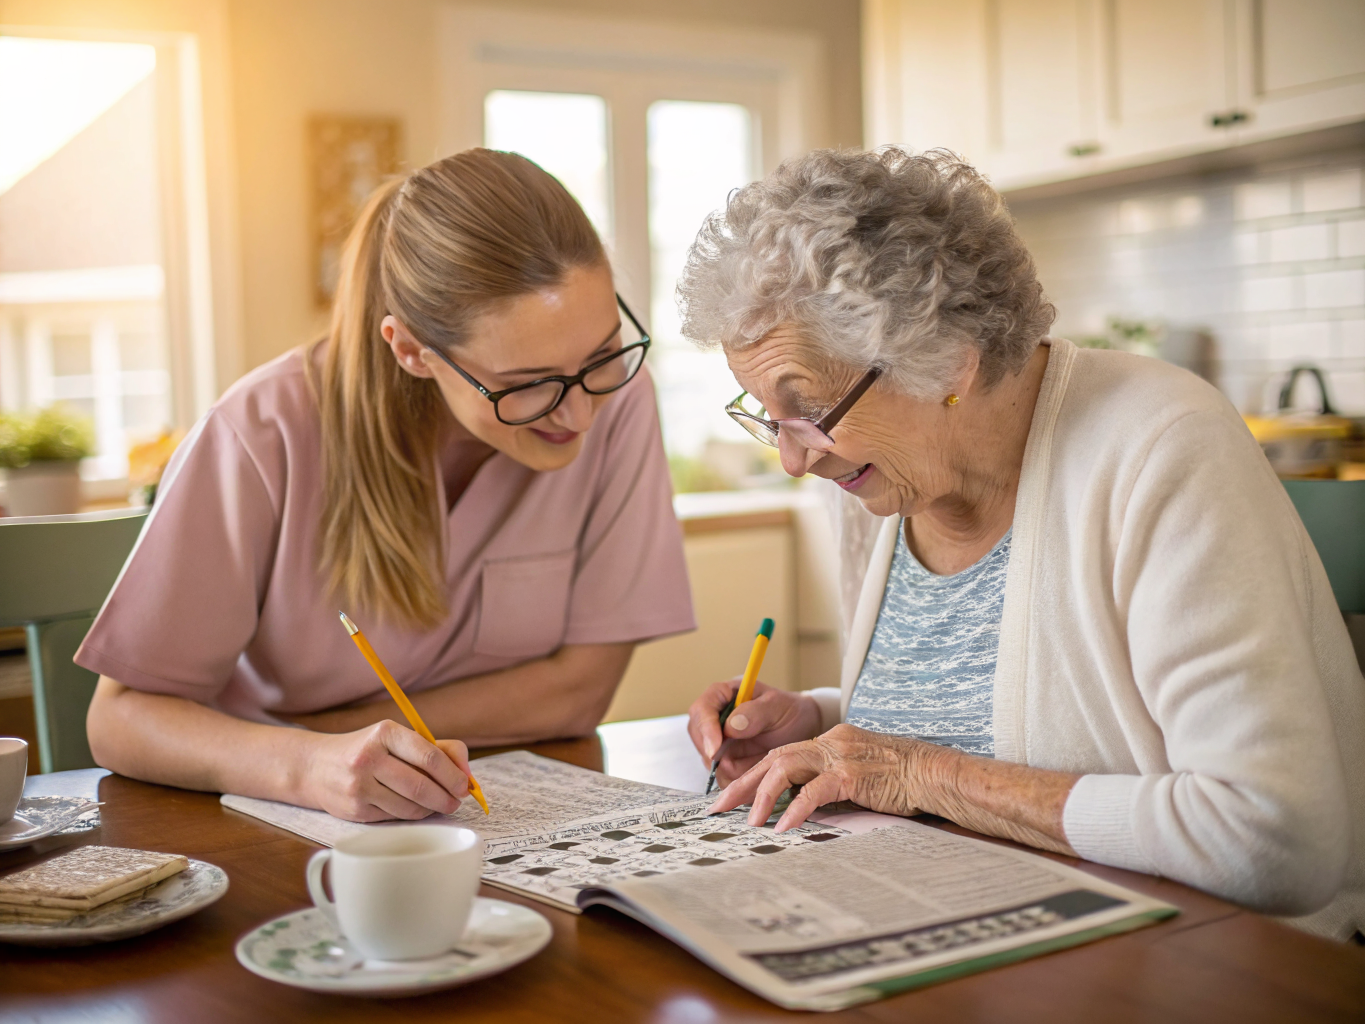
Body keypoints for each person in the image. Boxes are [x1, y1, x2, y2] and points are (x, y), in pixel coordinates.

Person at [681, 147, 1364, 940]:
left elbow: (1273, 841)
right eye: (767, 414)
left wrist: (916, 772)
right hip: (968, 927)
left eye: (809, 411)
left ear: (945, 360)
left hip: (1215, 960)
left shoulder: (1162, 443)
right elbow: (1019, 717)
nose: (793, 457)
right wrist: (814, 722)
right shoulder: (875, 481)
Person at [82, 148, 694, 823]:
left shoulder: (620, 399)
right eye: (527, 387)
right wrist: (308, 763)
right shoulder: (260, 432)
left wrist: (351, 736)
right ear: (409, 349)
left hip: (508, 818)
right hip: (281, 826)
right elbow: (123, 718)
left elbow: (578, 692)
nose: (579, 415)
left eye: (602, 353)